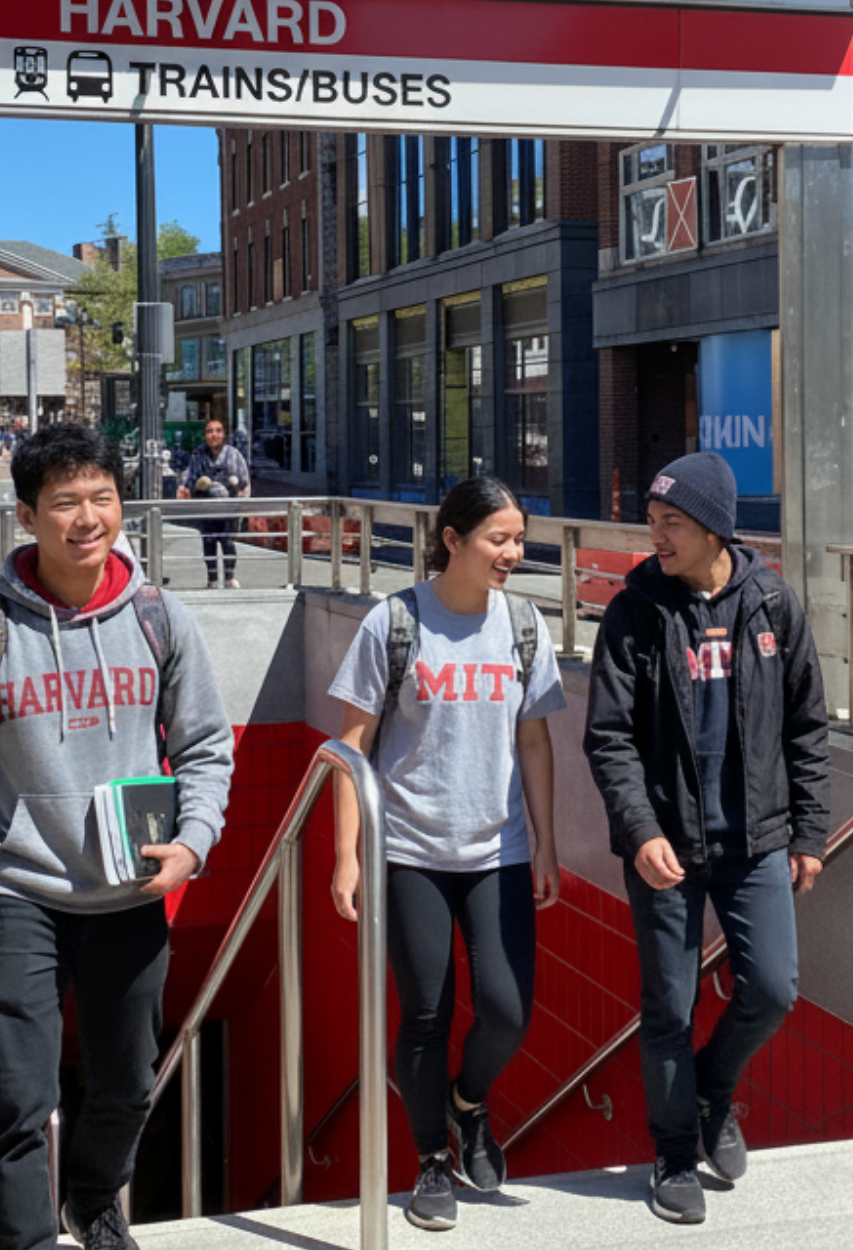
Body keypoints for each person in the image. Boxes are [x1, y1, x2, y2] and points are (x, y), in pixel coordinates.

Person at [0, 423, 234, 1250]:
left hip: (129, 888)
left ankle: (93, 1197)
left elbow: (204, 748)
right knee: (16, 1095)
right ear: (26, 515)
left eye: (102, 498)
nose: (87, 517)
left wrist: (193, 842)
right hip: (18, 890)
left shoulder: (160, 619)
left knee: (125, 1085)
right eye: (65, 502)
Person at [584, 452, 830, 1226]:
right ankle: (670, 1153)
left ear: (715, 527)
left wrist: (810, 831)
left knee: (773, 989)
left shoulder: (771, 604)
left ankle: (712, 1092)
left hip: (756, 842)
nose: (655, 534)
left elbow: (806, 725)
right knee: (668, 1005)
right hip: (665, 848)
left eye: (672, 523)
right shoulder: (636, 611)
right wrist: (639, 829)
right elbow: (609, 737)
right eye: (653, 521)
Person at [326, 477, 565, 1232]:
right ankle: (432, 1159)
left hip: (498, 850)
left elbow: (534, 739)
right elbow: (351, 744)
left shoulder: (523, 624)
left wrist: (547, 844)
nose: (513, 553)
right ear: (453, 540)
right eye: (499, 539)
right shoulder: (395, 622)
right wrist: (348, 854)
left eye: (519, 539)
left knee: (507, 1009)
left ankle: (467, 1104)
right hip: (412, 851)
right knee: (425, 1013)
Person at [177, 418, 252, 589]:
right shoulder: (198, 455)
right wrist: (184, 488)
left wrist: (242, 506)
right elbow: (189, 476)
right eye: (210, 431)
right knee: (209, 542)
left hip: (229, 508)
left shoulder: (234, 454)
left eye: (218, 431)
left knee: (228, 543)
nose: (214, 435)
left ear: (223, 434)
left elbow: (245, 481)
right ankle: (212, 579)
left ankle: (229, 578)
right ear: (205, 435)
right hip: (207, 507)